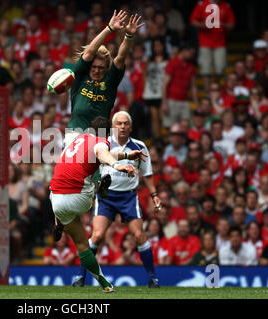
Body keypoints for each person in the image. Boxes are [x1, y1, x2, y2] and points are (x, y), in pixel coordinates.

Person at [49, 116, 142, 293]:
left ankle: (105, 284)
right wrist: (117, 165)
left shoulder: (76, 139)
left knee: (82, 244)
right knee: (98, 171)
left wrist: (127, 155)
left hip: (55, 199)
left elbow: (101, 153)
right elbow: (103, 152)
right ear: (108, 133)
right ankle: (98, 187)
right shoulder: (102, 142)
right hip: (80, 200)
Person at [71, 111, 161, 288]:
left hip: (128, 196)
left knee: (139, 235)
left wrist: (154, 195)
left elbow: (148, 174)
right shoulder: (102, 144)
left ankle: (152, 278)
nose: (122, 127)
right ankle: (80, 278)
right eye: (119, 123)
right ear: (113, 127)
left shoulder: (140, 146)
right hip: (106, 196)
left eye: (126, 123)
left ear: (131, 127)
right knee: (96, 236)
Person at [64, 10, 144, 146]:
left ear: (106, 69)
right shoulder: (80, 76)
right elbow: (89, 52)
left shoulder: (110, 81)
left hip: (98, 139)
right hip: (75, 135)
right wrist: (109, 28)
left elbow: (120, 58)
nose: (96, 70)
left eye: (101, 68)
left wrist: (128, 36)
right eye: (93, 67)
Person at [190, 0, 235, 92]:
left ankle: (216, 88)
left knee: (220, 68)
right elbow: (193, 21)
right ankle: (207, 92)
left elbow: (232, 24)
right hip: (205, 42)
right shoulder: (202, 4)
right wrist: (203, 25)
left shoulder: (225, 5)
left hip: (220, 42)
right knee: (205, 69)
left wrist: (223, 24)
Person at [161, 43, 198, 129]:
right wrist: (164, 103)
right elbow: (164, 84)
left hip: (185, 101)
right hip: (172, 100)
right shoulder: (173, 63)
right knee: (170, 127)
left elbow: (193, 87)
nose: (192, 56)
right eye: (191, 53)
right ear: (184, 51)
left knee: (185, 125)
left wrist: (196, 104)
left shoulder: (191, 67)